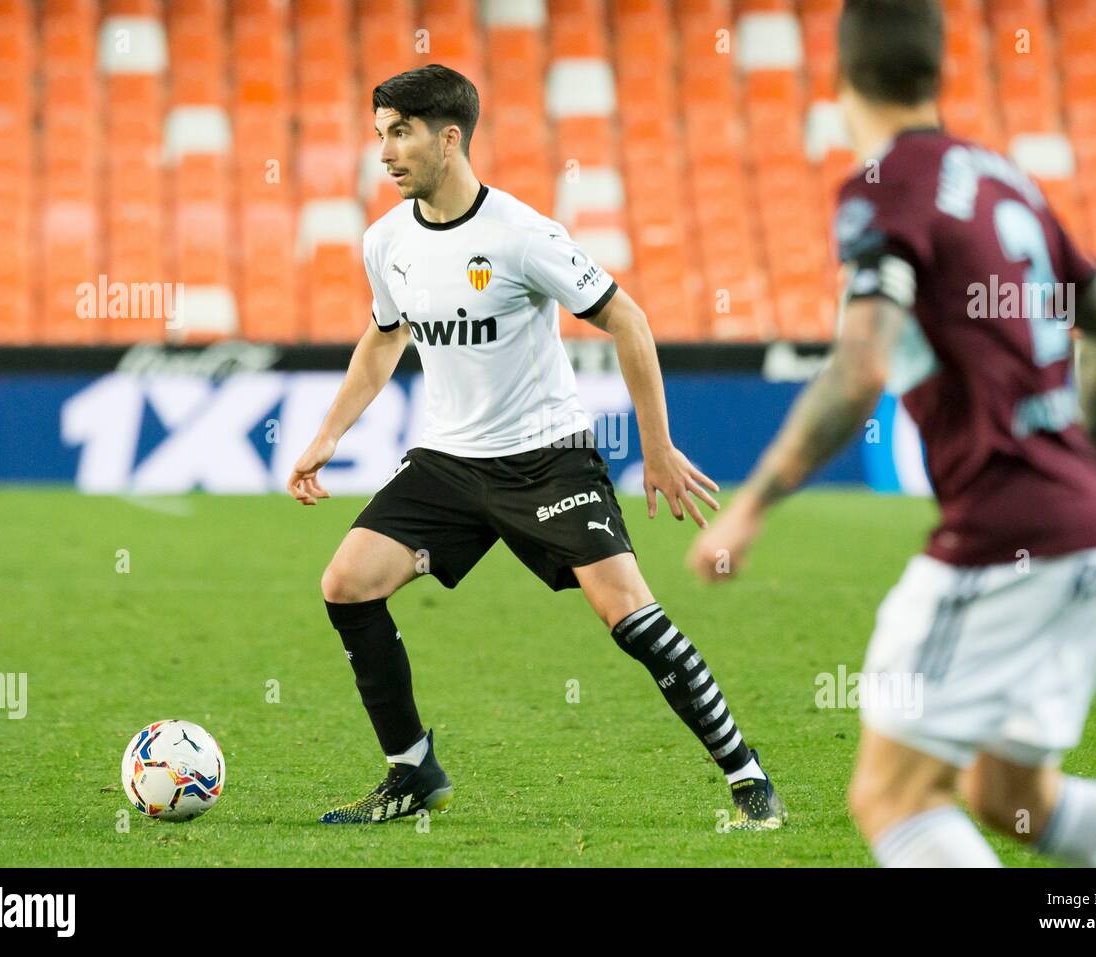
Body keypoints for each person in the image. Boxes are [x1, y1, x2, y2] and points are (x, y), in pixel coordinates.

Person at [689, 0, 1096, 866]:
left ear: (841, 76)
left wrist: (749, 507)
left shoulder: (882, 187)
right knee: (1012, 798)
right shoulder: (1005, 177)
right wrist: (1079, 455)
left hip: (1006, 534)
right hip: (1089, 529)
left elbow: (858, 365)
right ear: (939, 73)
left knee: (892, 795)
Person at [290, 64, 786, 830]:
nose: (385, 152)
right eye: (380, 134)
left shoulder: (521, 236)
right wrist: (326, 435)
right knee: (346, 582)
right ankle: (412, 771)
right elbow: (384, 338)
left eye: (400, 133)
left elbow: (630, 320)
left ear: (448, 139)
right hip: (448, 464)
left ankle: (748, 777)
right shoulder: (385, 241)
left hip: (546, 458)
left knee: (628, 615)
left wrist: (656, 447)